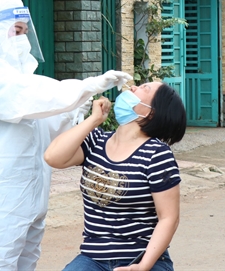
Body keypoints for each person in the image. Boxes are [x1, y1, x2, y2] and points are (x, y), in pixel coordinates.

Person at [0, 0, 131, 271]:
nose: (22, 39)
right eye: (16, 31)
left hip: (29, 200)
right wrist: (87, 86)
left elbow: (48, 125)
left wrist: (80, 110)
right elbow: (32, 96)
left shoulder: (21, 80)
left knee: (26, 264)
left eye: (25, 31)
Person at [44, 82, 187, 271]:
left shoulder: (157, 155)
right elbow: (53, 157)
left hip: (142, 257)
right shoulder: (96, 141)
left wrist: (143, 266)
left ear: (150, 112)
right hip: (93, 258)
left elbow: (169, 218)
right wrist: (94, 120)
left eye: (144, 88)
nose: (133, 88)